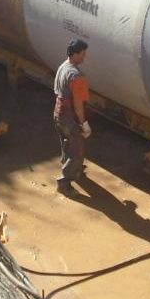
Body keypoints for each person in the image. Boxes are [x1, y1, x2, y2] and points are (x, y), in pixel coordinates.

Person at [53, 39, 91, 197]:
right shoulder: (76, 76)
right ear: (75, 54)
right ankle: (64, 181)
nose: (84, 57)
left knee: (66, 143)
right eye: (82, 54)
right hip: (70, 117)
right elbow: (78, 104)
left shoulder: (63, 66)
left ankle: (71, 167)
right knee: (77, 149)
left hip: (58, 113)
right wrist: (83, 124)